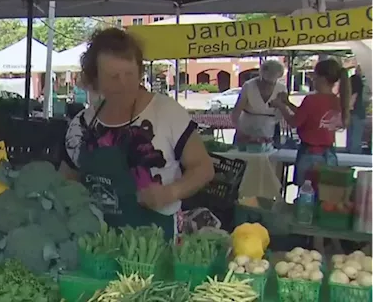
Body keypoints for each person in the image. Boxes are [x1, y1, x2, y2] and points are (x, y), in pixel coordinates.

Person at [59, 28, 214, 239]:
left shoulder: (166, 112)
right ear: (95, 80)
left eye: (130, 74)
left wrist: (171, 192)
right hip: (95, 246)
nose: (123, 84)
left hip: (154, 244)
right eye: (113, 77)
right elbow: (67, 181)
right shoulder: (82, 125)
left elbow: (203, 168)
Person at [271, 58, 351, 185]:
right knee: (326, 194)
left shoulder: (311, 100)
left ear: (322, 79)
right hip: (329, 153)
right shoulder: (337, 101)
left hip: (310, 153)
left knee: (306, 194)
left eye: (315, 76)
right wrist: (288, 103)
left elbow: (294, 122)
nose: (313, 79)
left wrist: (280, 106)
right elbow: (310, 116)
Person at [231, 60, 287, 151]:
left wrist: (281, 105)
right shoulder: (249, 86)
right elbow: (236, 111)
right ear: (261, 74)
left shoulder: (281, 88)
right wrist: (239, 131)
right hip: (246, 128)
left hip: (269, 130)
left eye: (272, 82)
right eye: (265, 81)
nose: (268, 85)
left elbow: (285, 111)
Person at [347, 65, 366, 154]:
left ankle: (350, 152)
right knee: (356, 136)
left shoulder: (353, 80)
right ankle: (354, 153)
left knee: (351, 134)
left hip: (352, 112)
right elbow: (355, 96)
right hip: (358, 112)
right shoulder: (358, 81)